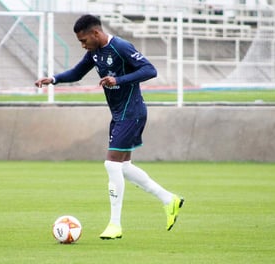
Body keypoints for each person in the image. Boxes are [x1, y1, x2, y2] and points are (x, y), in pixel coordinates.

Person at [35, 14, 184, 240]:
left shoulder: (120, 47)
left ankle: (115, 225)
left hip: (132, 112)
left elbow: (150, 70)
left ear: (95, 33)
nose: (83, 45)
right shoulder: (94, 52)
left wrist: (119, 80)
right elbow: (76, 73)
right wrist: (53, 79)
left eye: (84, 40)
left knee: (111, 164)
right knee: (123, 167)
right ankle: (168, 199)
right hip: (119, 114)